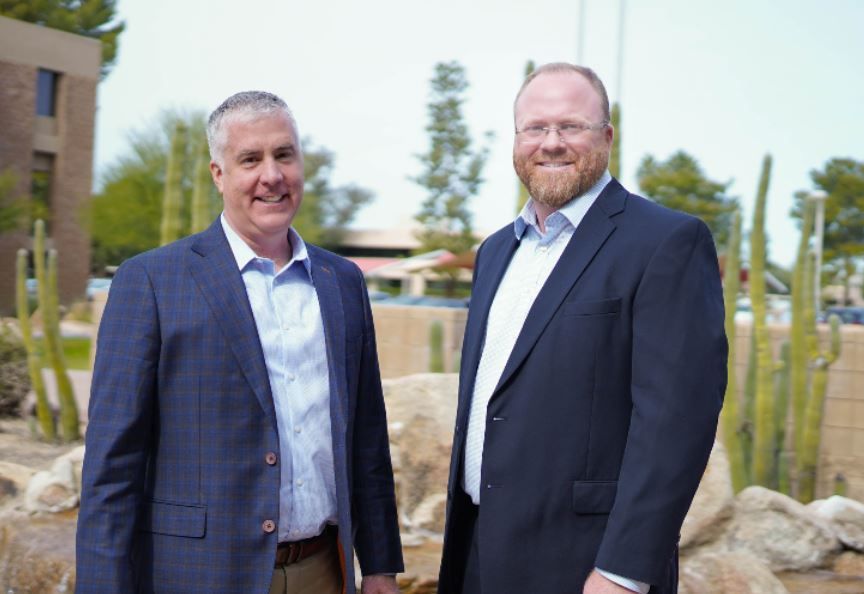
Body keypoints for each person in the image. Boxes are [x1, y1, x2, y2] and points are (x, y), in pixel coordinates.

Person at [76, 91, 403, 594]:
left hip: (323, 571)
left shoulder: (343, 283)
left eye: (284, 155)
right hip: (196, 576)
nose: (271, 175)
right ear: (218, 174)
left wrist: (379, 566)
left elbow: (366, 439)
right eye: (250, 159)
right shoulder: (152, 282)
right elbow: (112, 466)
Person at [438, 63, 727, 594]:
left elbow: (676, 425)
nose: (551, 143)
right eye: (535, 128)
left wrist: (624, 571)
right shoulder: (496, 251)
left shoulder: (667, 243)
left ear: (607, 137)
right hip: (479, 554)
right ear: (516, 139)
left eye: (570, 126)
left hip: (586, 569)